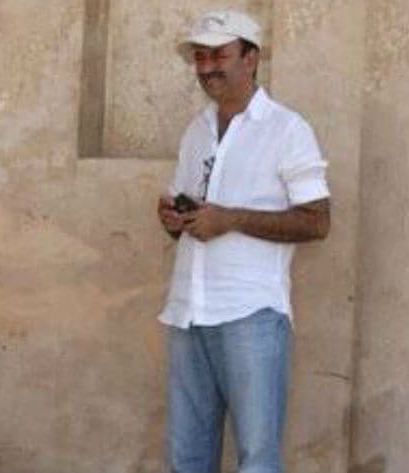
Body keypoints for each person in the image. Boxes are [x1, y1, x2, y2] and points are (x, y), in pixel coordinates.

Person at [157, 9, 330, 473]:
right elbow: (188, 218)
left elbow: (317, 222)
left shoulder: (287, 129)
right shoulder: (196, 130)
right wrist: (173, 219)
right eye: (200, 57)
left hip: (251, 313)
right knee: (187, 458)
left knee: (256, 459)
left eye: (219, 55)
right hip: (188, 310)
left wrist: (230, 219)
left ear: (251, 58)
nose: (207, 66)